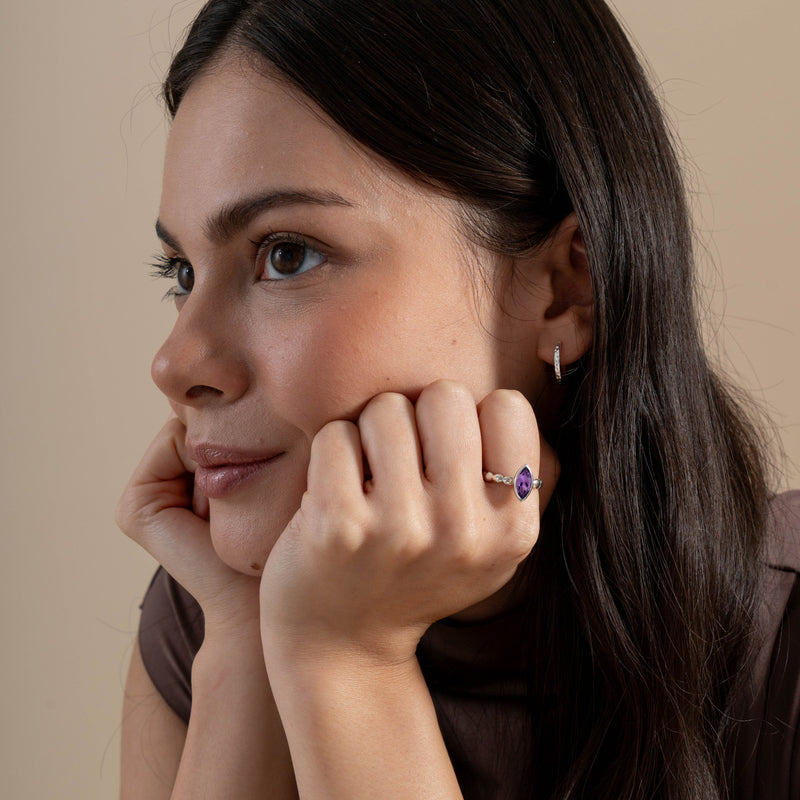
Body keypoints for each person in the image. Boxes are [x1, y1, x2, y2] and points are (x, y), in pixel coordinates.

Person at [116, 1, 800, 798]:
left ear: (563, 288)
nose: (175, 362)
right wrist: (244, 634)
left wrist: (349, 662)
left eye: (287, 254)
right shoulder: (209, 611)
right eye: (182, 274)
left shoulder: (784, 635)